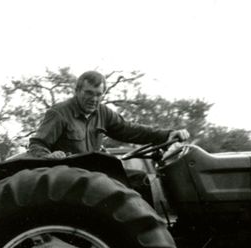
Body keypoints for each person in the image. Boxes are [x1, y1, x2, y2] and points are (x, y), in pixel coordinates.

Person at [28, 70, 190, 200]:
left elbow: (130, 130)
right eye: (89, 93)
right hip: (72, 177)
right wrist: (50, 156)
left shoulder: (102, 112)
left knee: (139, 179)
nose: (94, 99)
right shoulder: (59, 113)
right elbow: (37, 144)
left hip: (94, 173)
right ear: (77, 91)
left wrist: (166, 135)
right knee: (135, 180)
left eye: (99, 94)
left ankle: (148, 225)